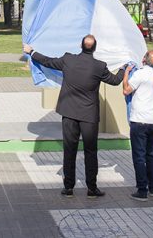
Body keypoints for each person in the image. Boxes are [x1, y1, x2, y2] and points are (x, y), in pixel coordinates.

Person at [23, 35, 124, 197]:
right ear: (95, 48)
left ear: (80, 46)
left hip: (69, 112)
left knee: (70, 149)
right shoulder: (99, 66)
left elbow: (47, 61)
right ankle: (92, 188)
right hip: (89, 115)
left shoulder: (68, 60)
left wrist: (31, 51)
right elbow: (115, 80)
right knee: (90, 151)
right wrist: (125, 68)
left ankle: (68, 187)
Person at [123, 50, 153, 201]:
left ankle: (142, 190)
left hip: (140, 120)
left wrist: (126, 74)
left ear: (144, 59)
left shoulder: (139, 74)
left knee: (139, 156)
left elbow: (126, 90)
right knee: (151, 155)